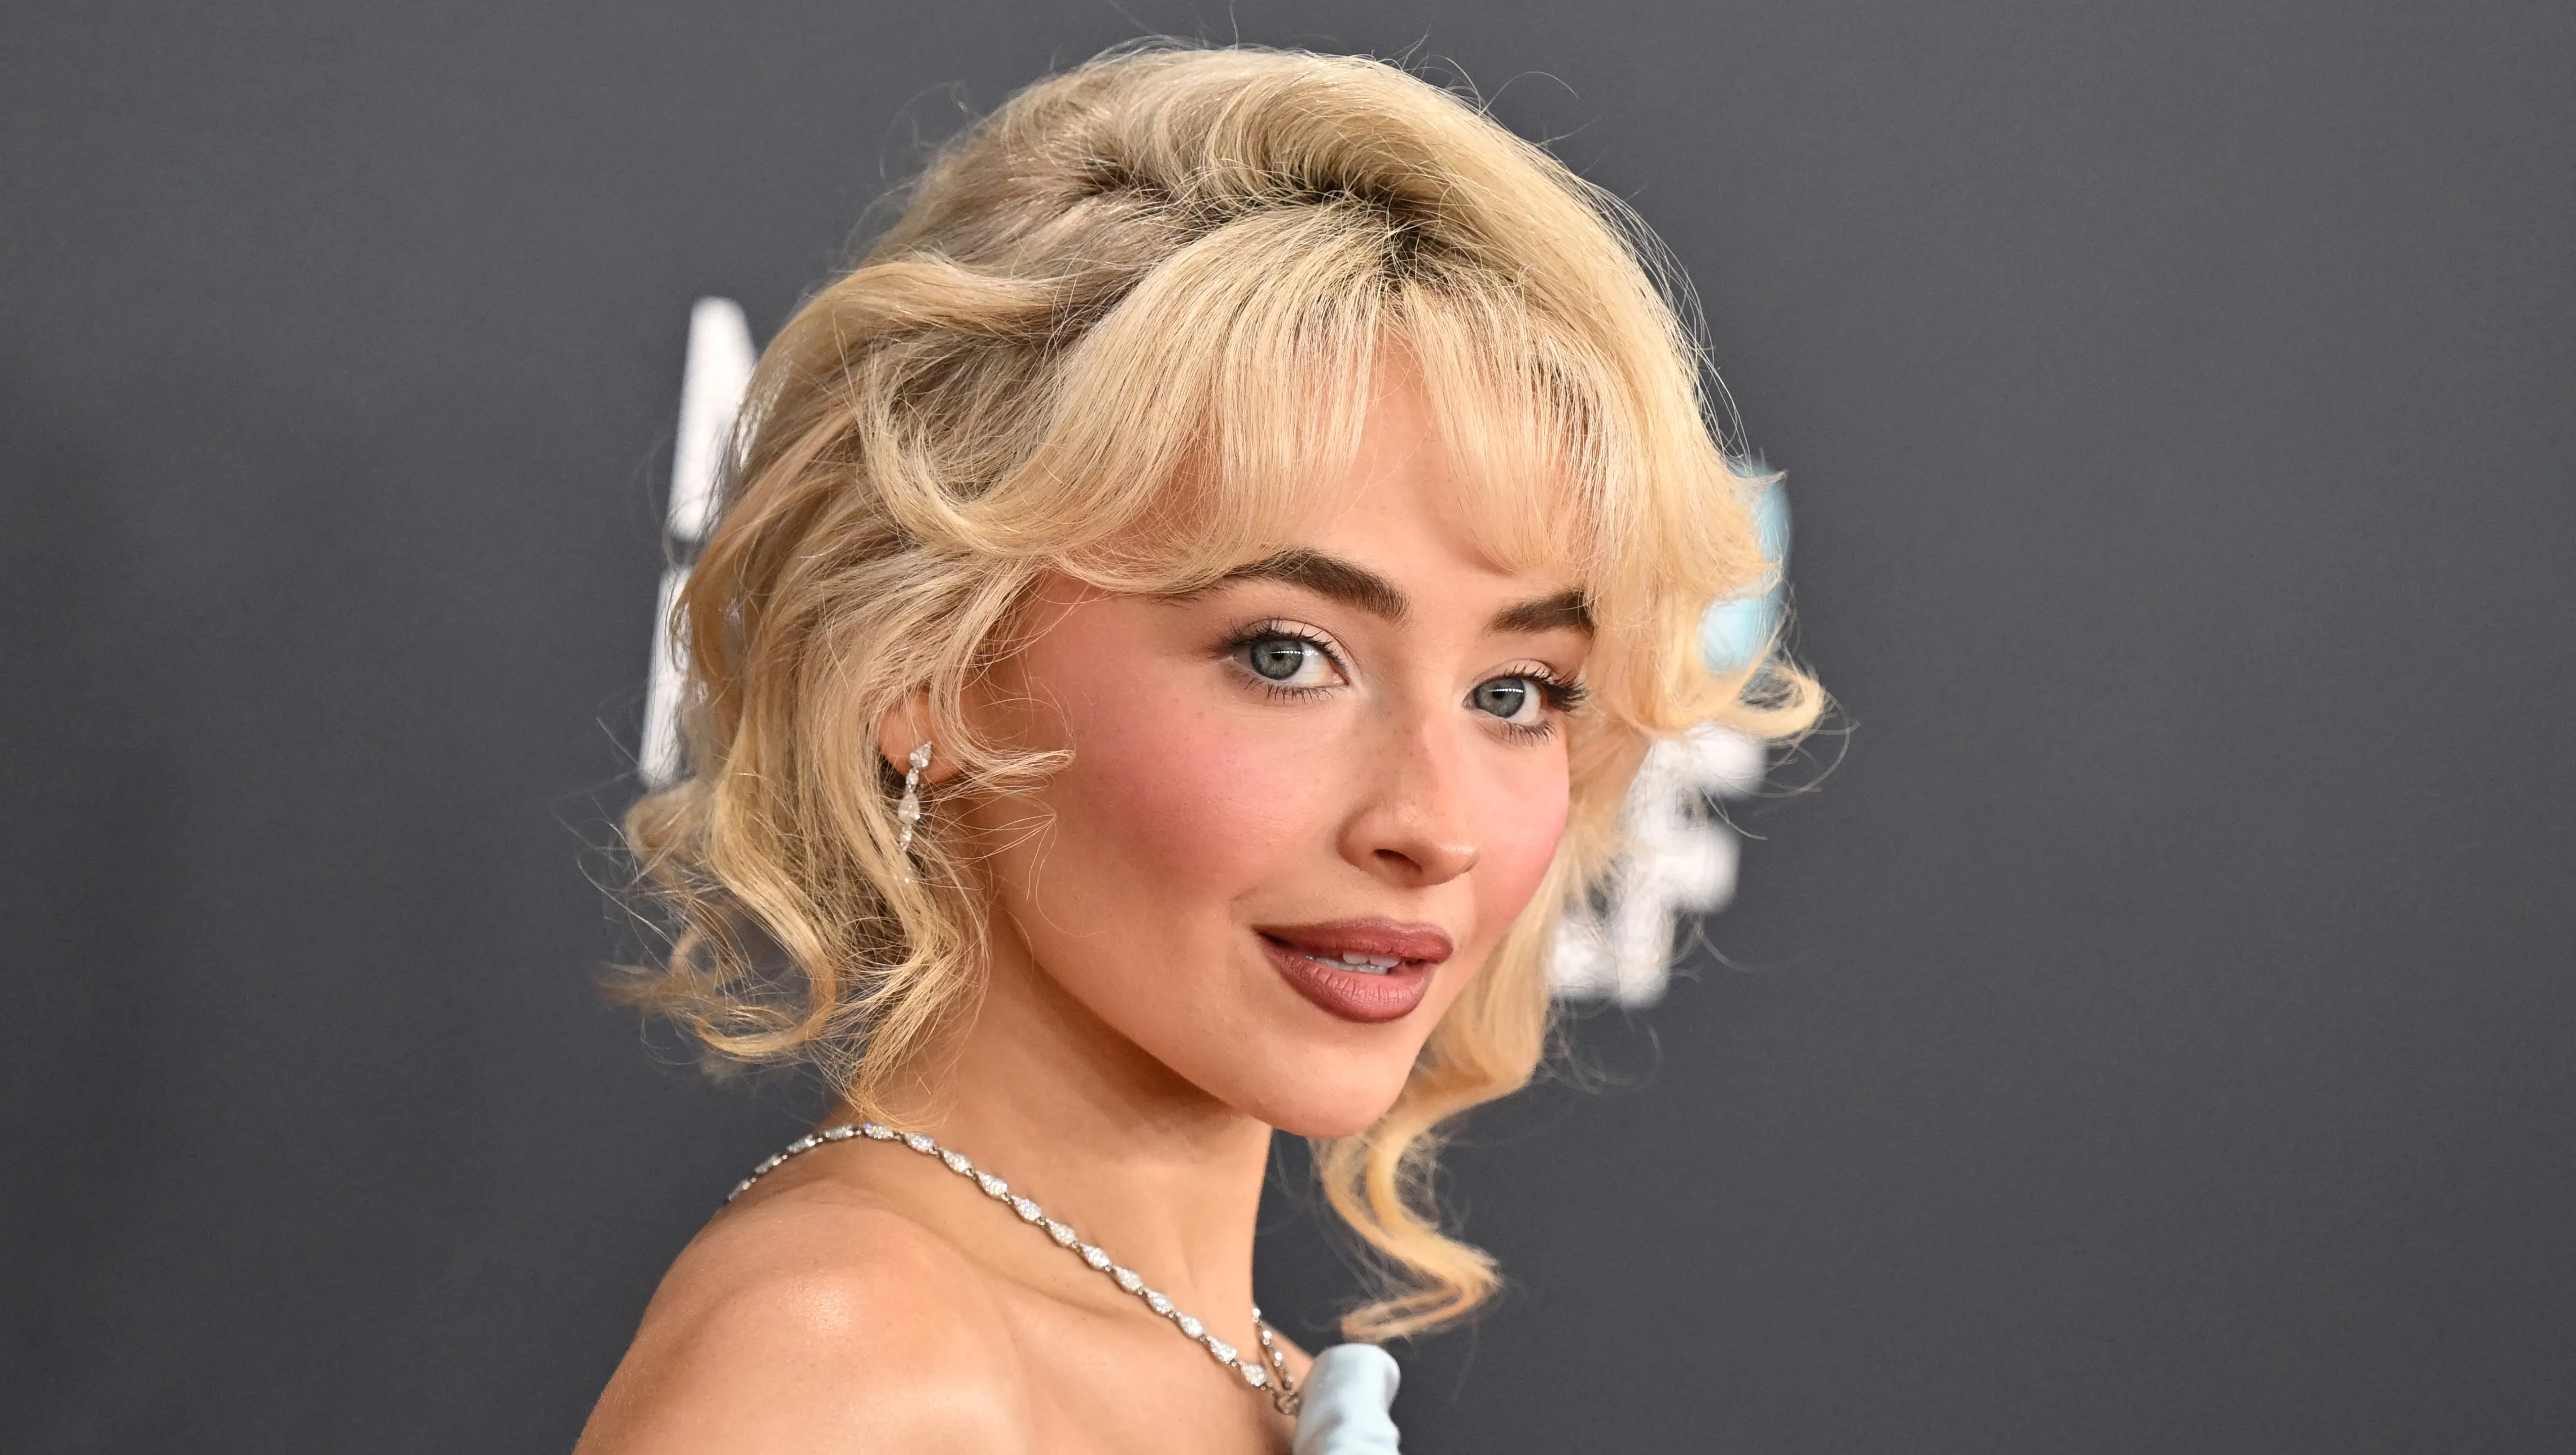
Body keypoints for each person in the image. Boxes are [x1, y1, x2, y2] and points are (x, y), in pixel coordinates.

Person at [575, 43, 1819, 1454]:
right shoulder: (855, 1365)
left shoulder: (1238, 1377)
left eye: (1515, 690)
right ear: (924, 663)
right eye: (1286, 655)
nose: (1434, 822)